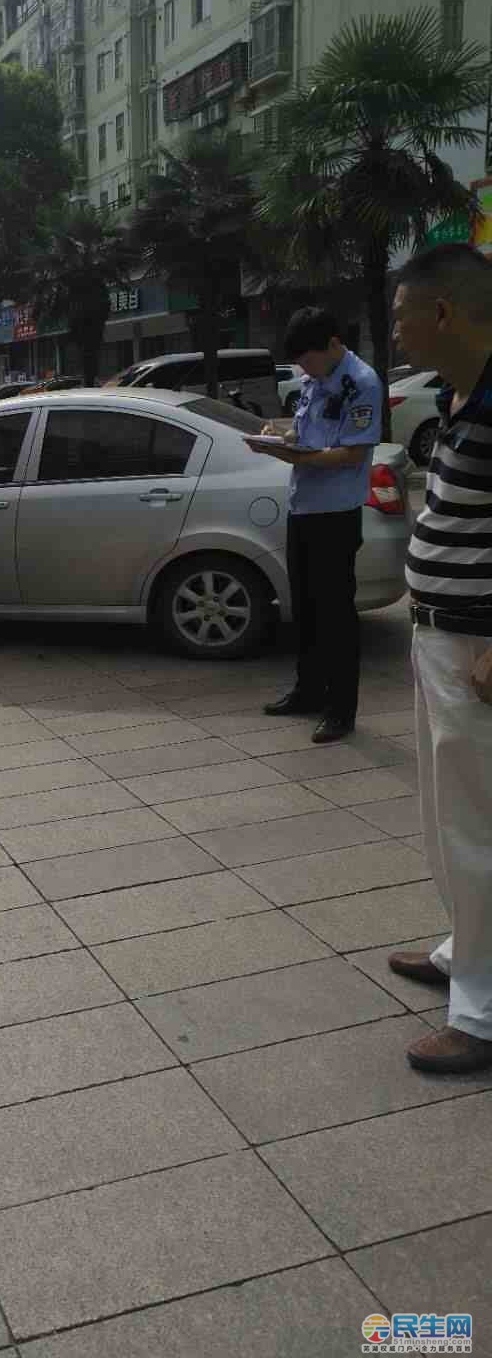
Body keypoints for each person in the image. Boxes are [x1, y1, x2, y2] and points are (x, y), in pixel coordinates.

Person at [386, 242, 492, 1075]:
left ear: (445, 312)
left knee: (477, 829)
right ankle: (466, 950)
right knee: (445, 819)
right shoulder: (464, 395)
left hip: (475, 644)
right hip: (438, 635)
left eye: (401, 313)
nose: (396, 331)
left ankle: (482, 1014)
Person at [252, 307, 383, 743]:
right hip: (303, 508)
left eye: (308, 359)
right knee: (305, 608)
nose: (304, 369)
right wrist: (281, 435)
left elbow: (351, 454)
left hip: (335, 515)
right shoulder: (315, 379)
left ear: (332, 344)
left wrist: (292, 456)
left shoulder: (360, 383)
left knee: (336, 616)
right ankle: (307, 691)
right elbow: (310, 433)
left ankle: (341, 709)